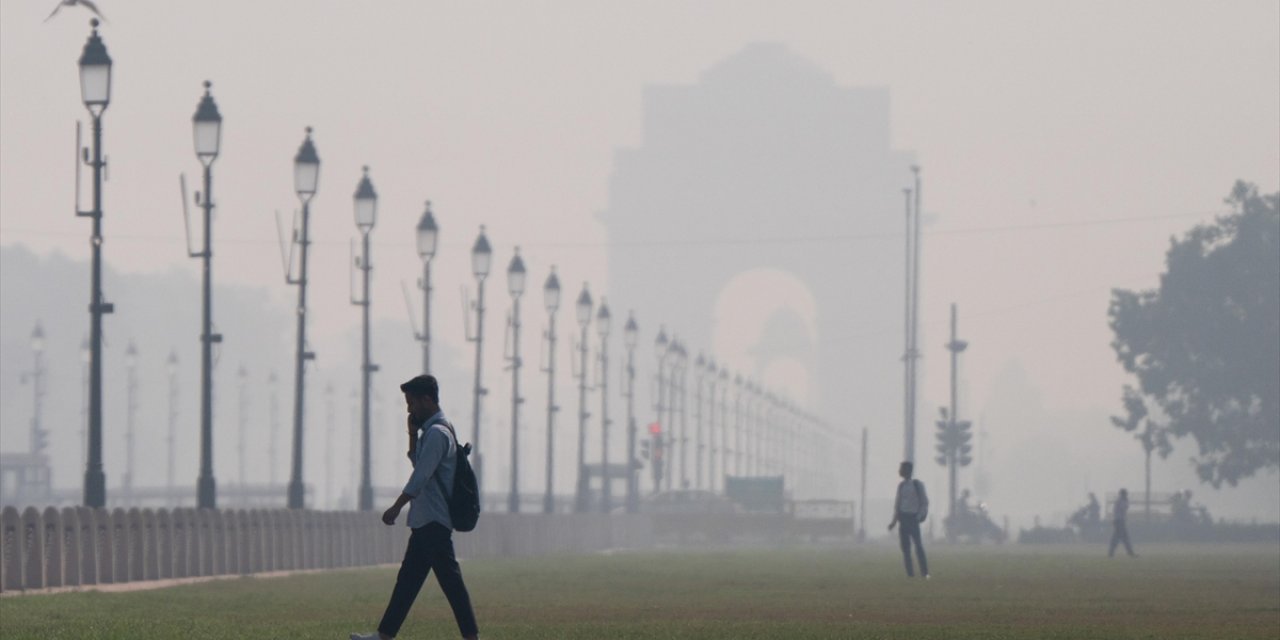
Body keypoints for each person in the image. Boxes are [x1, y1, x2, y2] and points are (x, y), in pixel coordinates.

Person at [351, 375, 479, 640]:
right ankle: (384, 634)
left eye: (412, 403)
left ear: (427, 400)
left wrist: (396, 507)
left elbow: (420, 476)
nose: (409, 409)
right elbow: (418, 462)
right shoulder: (431, 432)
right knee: (407, 583)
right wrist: (411, 434)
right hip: (424, 521)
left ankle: (471, 637)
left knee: (451, 584)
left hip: (434, 521)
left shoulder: (437, 433)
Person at [888, 461, 929, 579]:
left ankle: (925, 572)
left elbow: (924, 502)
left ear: (908, 471)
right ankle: (910, 574)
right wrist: (894, 522)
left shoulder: (917, 485)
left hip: (913, 518)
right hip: (903, 518)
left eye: (902, 469)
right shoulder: (901, 486)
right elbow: (898, 505)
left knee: (918, 546)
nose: (900, 471)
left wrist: (919, 516)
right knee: (905, 548)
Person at [1108, 488, 1137, 558]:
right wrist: (1127, 502)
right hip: (1119, 521)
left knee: (1120, 537)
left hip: (1118, 520)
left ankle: (1112, 552)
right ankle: (1129, 552)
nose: (1126, 495)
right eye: (1125, 494)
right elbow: (1124, 508)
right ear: (1123, 494)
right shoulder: (1121, 500)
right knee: (1119, 538)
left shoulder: (1119, 500)